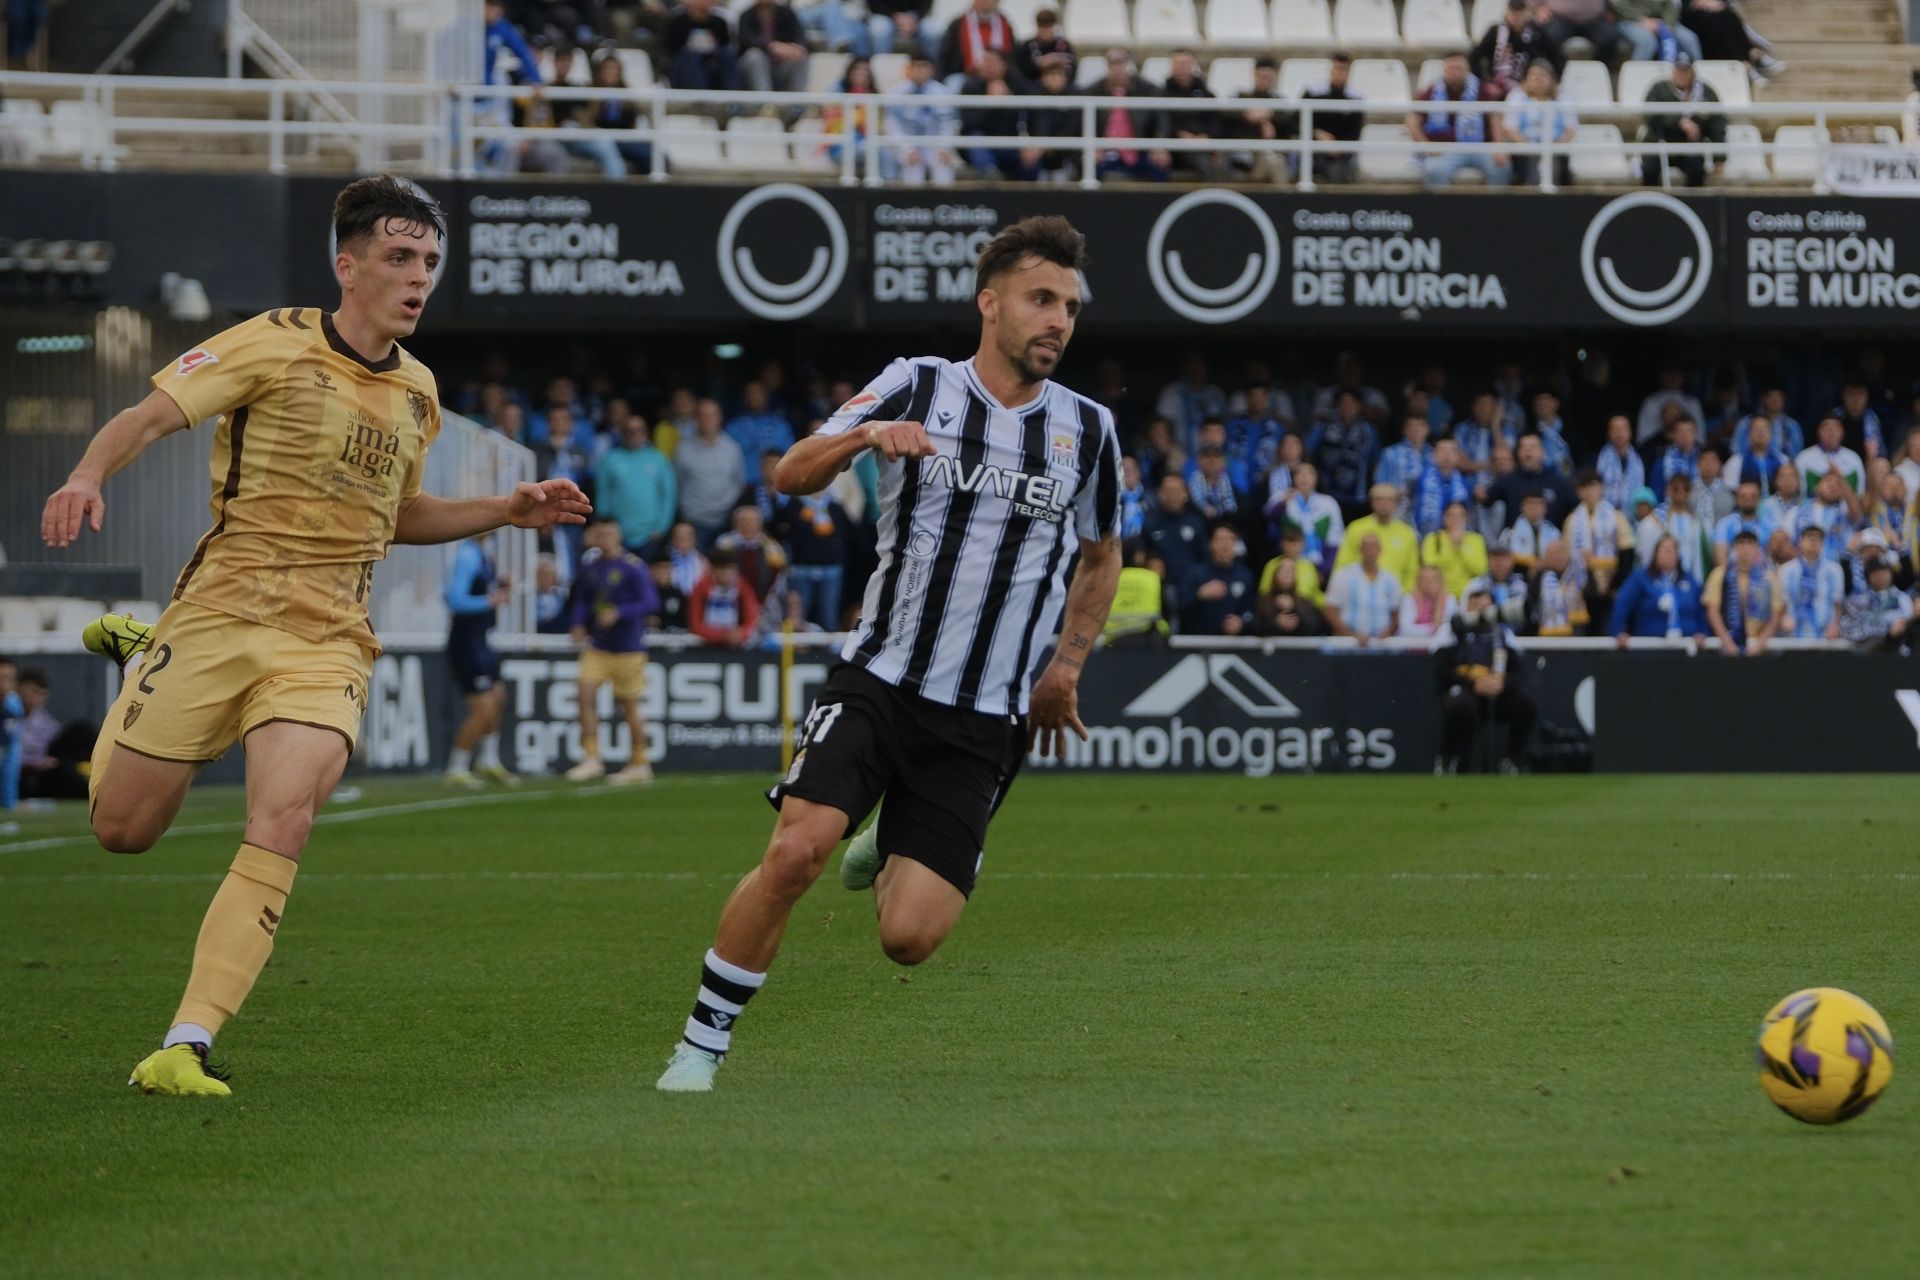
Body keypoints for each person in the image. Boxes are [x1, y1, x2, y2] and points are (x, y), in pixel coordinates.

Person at [35, 176, 589, 1097]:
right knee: (123, 828)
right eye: (400, 259)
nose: (419, 279)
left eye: (429, 263)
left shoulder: (419, 391)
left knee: (283, 816)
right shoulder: (274, 342)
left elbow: (396, 513)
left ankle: (187, 1041)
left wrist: (504, 508)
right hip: (220, 612)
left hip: (329, 634)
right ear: (350, 265)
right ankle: (148, 654)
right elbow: (150, 416)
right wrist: (89, 473)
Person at [655, 217, 1122, 1093]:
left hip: (984, 717)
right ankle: (700, 1046)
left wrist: (1065, 669)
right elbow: (791, 472)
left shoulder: (1089, 431)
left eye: (1069, 305)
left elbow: (1103, 556)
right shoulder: (917, 385)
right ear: (991, 304)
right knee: (795, 854)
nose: (1059, 319)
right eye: (1041, 299)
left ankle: (892, 829)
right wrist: (866, 439)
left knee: (909, 940)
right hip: (879, 678)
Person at [566, 518, 660, 784]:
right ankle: (592, 758)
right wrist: (577, 624)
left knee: (628, 706)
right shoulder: (590, 566)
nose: (605, 538)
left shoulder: (633, 567)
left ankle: (640, 763)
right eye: (601, 533)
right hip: (599, 646)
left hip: (629, 648)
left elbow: (650, 602)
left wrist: (620, 612)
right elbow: (582, 599)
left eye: (610, 533)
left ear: (618, 535)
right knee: (584, 694)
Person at [1433, 579, 1534, 774]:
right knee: (1461, 706)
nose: (1481, 611)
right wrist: (1473, 681)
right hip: (1465, 689)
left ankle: (1513, 760)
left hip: (1496, 690)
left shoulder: (1502, 633)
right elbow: (1441, 669)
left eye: (1486, 606)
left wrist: (1501, 682)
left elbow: (1519, 671)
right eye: (1475, 604)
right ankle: (1448, 759)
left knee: (1525, 706)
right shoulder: (1451, 631)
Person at [442, 536, 518, 789]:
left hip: (481, 639)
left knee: (497, 697)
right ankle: (456, 767)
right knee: (482, 707)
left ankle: (488, 760)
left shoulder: (482, 551)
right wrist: (490, 600)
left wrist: (498, 587)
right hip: (466, 642)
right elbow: (454, 599)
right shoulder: (467, 556)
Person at [1408, 51, 1509, 189]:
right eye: (1451, 68)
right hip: (1444, 149)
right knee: (1435, 170)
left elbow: (1495, 117)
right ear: (1445, 70)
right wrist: (1425, 145)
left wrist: (1499, 146)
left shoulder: (1481, 89)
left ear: (1467, 70)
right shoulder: (1433, 90)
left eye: (1459, 68)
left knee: (1501, 168)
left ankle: (1495, 209)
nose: (1455, 72)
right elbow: (1413, 118)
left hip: (1479, 146)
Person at [773, 488, 853, 629]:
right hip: (801, 570)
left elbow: (847, 533)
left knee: (829, 617)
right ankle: (799, 650)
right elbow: (777, 529)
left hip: (830, 570)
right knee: (798, 616)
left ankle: (830, 651)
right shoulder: (794, 505)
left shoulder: (835, 507)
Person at [1638, 53, 1723, 188]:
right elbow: (1650, 116)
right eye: (1678, 70)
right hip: (1659, 143)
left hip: (1689, 147)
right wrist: (1679, 121)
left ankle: (1693, 205)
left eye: (1685, 71)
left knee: (1697, 170)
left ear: (1692, 72)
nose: (1681, 75)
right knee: (1649, 170)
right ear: (1672, 71)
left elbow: (1717, 124)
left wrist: (1719, 157)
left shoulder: (1706, 93)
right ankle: (1651, 204)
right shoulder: (1659, 88)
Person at [1093, 48, 1173, 183]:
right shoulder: (1094, 90)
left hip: (1140, 150)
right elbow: (1083, 121)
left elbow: (1161, 119)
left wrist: (1160, 146)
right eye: (1113, 64)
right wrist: (1093, 147)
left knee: (1159, 168)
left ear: (1128, 65)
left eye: (1120, 63)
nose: (1117, 68)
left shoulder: (1148, 89)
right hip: (1107, 151)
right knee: (1092, 168)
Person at [1610, 533, 1705, 643]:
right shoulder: (1641, 578)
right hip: (1649, 645)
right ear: (1655, 554)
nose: (1667, 553)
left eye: (1671, 550)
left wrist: (1703, 633)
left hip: (1687, 644)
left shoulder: (1689, 580)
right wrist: (1618, 632)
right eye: (1664, 549)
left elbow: (1701, 609)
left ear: (1678, 555)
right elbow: (1622, 604)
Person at [677, 398, 748, 545]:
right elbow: (678, 483)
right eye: (703, 415)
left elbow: (739, 482)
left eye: (713, 415)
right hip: (694, 521)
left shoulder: (732, 448)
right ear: (696, 419)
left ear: (720, 418)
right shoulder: (683, 449)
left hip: (726, 521)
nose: (708, 419)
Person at [1703, 528, 1783, 655]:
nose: (1746, 549)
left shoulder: (1768, 578)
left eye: (1750, 544)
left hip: (1760, 645)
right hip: (1727, 645)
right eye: (1741, 544)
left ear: (1757, 549)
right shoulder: (1720, 575)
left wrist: (1760, 643)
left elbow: (1776, 614)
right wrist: (1727, 643)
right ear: (1735, 548)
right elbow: (1712, 610)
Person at [884, 52, 959, 185]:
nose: (919, 70)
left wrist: (944, 147)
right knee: (912, 166)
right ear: (908, 69)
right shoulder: (895, 93)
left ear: (931, 70)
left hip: (934, 145)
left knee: (943, 166)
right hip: (908, 144)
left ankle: (945, 205)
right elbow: (893, 126)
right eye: (915, 66)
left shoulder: (943, 93)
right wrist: (906, 148)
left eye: (924, 66)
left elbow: (948, 124)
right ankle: (912, 205)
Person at [1333, 483, 1419, 592]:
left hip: (1395, 595)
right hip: (1359, 592)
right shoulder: (1356, 528)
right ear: (1372, 502)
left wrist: (1403, 596)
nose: (1384, 504)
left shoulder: (1407, 533)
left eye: (1389, 500)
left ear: (1396, 503)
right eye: (1379, 499)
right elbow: (1342, 564)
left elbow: (1412, 572)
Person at [1504, 60, 1576, 186]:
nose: (1537, 79)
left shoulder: (1563, 97)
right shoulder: (1516, 96)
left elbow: (1570, 130)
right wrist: (1529, 148)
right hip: (1525, 146)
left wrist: (1554, 148)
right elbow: (1510, 128)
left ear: (1551, 79)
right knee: (1527, 160)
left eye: (1542, 75)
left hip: (1555, 146)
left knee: (1557, 159)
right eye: (1533, 75)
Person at [1323, 531, 1401, 644]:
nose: (1370, 551)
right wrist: (1350, 635)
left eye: (1374, 547)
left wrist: (1389, 631)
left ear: (1380, 550)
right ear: (1360, 550)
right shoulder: (1343, 576)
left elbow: (1395, 614)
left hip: (1381, 645)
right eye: (1367, 547)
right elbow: (1330, 611)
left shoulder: (1391, 579)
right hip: (1349, 645)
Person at [1472, 0, 1563, 94]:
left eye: (1520, 13)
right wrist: (1486, 82)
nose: (1516, 18)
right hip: (1497, 86)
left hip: (1529, 90)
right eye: (1513, 13)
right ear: (1507, 13)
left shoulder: (1537, 34)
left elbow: (1557, 58)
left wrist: (1552, 82)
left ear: (1527, 13)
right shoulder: (1495, 32)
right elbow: (1474, 58)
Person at [1180, 526, 1256, 635]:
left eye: (1231, 540)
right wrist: (1199, 595)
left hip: (1233, 645)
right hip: (1199, 643)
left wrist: (1241, 622)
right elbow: (1180, 609)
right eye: (1220, 540)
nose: (1225, 545)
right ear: (1211, 544)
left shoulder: (1245, 576)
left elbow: (1251, 612)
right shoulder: (1195, 574)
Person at [1300, 52, 1364, 183]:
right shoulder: (1312, 92)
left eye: (1344, 69)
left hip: (1342, 151)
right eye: (1337, 69)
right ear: (1330, 70)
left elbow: (1355, 132)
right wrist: (1317, 134)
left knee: (1340, 170)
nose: (1340, 73)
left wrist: (1338, 146)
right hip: (1315, 147)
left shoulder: (1356, 97)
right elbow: (1296, 121)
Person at [1777, 524, 1845, 639]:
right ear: (1800, 542)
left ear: (1823, 544)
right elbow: (1782, 602)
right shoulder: (1786, 570)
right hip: (1793, 632)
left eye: (1818, 539)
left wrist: (1834, 625)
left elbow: (1837, 603)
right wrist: (1784, 619)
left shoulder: (1834, 570)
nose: (1813, 542)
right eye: (1809, 538)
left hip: (1825, 634)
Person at [1840, 553, 1917, 653]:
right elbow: (1848, 630)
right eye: (1876, 571)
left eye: (1884, 571)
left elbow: (1908, 628)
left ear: (1891, 573)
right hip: (1864, 653)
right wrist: (1884, 632)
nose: (1880, 575)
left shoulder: (1902, 599)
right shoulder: (1857, 601)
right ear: (1868, 575)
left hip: (1895, 652)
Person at [1143, 472, 1209, 589]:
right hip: (1159, 587)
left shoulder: (1196, 523)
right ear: (1160, 493)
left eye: (1176, 491)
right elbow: (1144, 555)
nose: (1172, 495)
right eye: (1168, 491)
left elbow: (1204, 558)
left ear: (1185, 494)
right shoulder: (1150, 523)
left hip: (1191, 588)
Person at [688, 546, 762, 646]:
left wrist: (742, 633)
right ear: (712, 571)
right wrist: (721, 636)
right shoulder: (701, 589)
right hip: (706, 646)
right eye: (722, 569)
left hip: (737, 644)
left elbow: (752, 619)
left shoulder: (743, 589)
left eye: (731, 569)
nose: (727, 574)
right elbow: (695, 623)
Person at [736, 0, 810, 96]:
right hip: (755, 69)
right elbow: (747, 41)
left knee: (800, 55)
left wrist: (793, 48)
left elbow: (801, 38)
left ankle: (796, 103)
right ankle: (765, 101)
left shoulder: (787, 13)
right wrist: (772, 47)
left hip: (781, 65)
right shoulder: (746, 16)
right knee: (754, 56)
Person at [666, 0, 741, 90]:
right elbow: (672, 52)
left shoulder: (720, 23)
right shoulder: (677, 22)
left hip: (712, 64)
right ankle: (701, 98)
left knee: (728, 54)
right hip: (685, 67)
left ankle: (733, 97)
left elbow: (724, 46)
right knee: (691, 57)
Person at [936, 0, 1015, 83]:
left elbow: (1012, 57)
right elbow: (944, 56)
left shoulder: (1005, 25)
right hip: (966, 75)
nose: (986, 2)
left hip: (1000, 78)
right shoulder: (958, 24)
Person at [1413, 437, 1473, 536]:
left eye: (1452, 451)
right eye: (1442, 450)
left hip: (1455, 538)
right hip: (1424, 536)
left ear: (1457, 456)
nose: (1447, 455)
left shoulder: (1464, 483)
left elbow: (1467, 515)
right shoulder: (1420, 480)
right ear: (1434, 455)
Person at [1797, 414, 1866, 495]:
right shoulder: (1804, 457)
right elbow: (1799, 493)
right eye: (1826, 428)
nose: (1831, 431)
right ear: (1819, 432)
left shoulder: (1853, 458)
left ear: (1842, 433)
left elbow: (1860, 493)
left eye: (1835, 428)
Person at [1724, 414, 1790, 495]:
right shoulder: (1736, 461)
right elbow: (1730, 491)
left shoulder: (1783, 460)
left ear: (1771, 434)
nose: (1760, 433)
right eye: (1756, 429)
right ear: (1749, 433)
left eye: (1764, 429)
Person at [1399, 564, 1458, 640]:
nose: (1429, 583)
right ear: (1418, 581)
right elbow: (1405, 629)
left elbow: (1450, 627)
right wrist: (1432, 628)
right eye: (1425, 579)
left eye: (1433, 579)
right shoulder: (1409, 599)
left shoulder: (1449, 599)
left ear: (1440, 581)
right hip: (1414, 647)